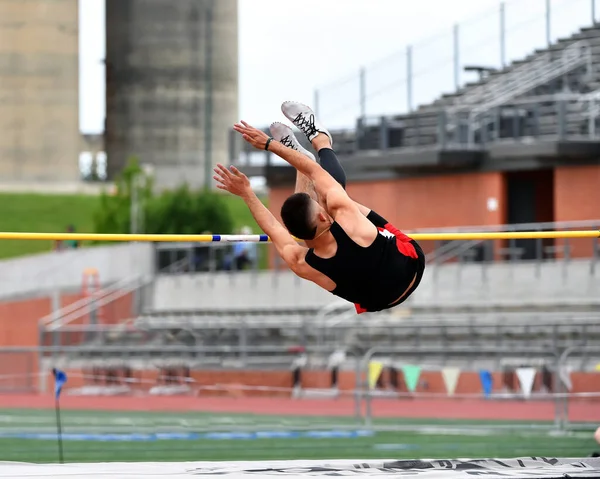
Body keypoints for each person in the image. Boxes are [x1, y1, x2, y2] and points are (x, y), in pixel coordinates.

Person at [215, 101, 425, 314]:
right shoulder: (346, 218)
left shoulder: (301, 263)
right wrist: (269, 145)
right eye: (318, 207)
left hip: (380, 299)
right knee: (333, 195)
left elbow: (272, 228)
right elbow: (316, 172)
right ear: (324, 218)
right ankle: (320, 137)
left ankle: (300, 162)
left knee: (326, 198)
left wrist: (247, 195)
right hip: (410, 265)